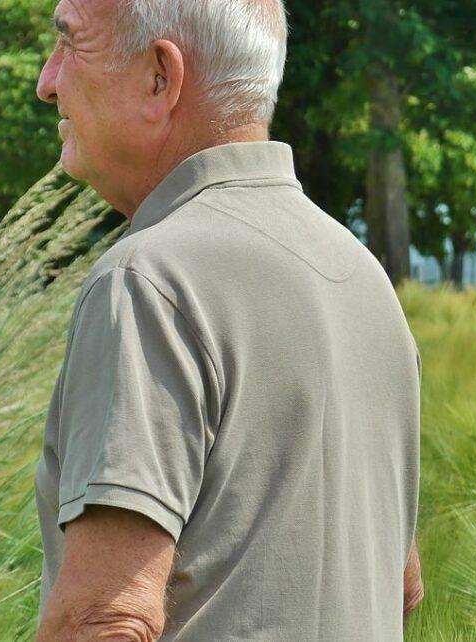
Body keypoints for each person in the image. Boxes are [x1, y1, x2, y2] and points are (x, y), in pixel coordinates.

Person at [30, 1, 424, 640]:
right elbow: (398, 587)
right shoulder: (364, 277)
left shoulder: (148, 281)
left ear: (161, 77)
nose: (47, 80)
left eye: (70, 43)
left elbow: (104, 620)